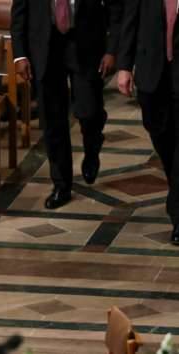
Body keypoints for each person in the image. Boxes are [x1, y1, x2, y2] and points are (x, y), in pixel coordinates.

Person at [10, 0, 123, 209]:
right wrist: (20, 54)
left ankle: (92, 147)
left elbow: (115, 10)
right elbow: (19, 13)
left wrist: (112, 50)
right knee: (53, 121)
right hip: (44, 46)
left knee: (89, 111)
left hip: (86, 45)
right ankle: (61, 185)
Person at [117, 0, 179, 244]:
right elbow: (129, 23)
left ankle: (177, 215)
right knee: (161, 135)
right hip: (151, 72)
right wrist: (124, 66)